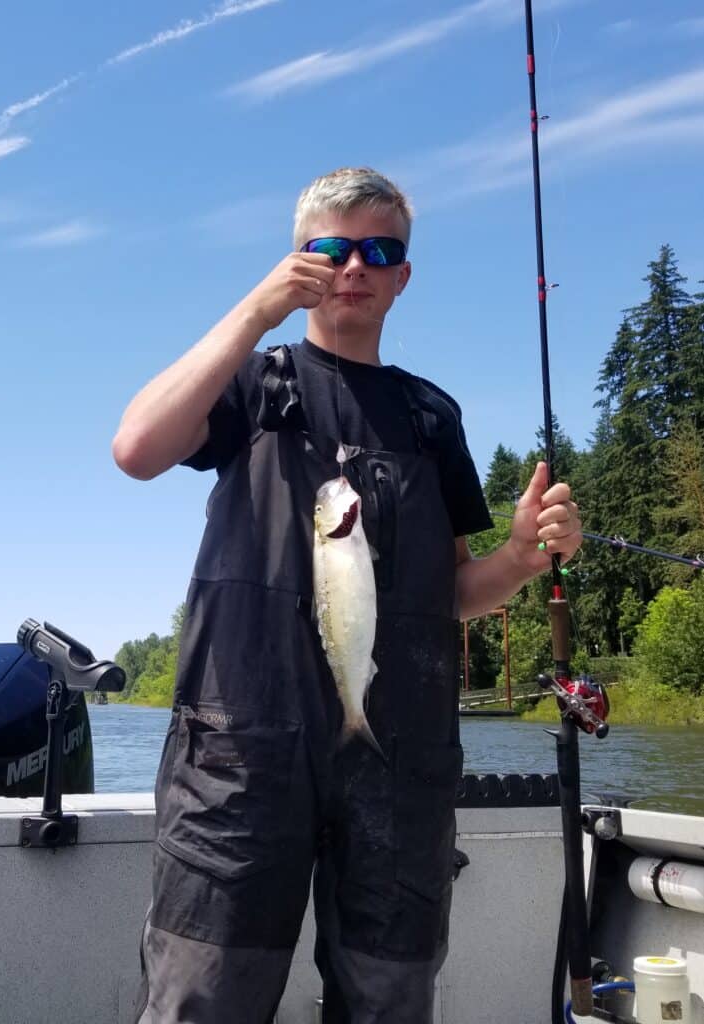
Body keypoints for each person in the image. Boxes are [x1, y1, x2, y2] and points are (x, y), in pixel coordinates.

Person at [113, 167, 582, 1024]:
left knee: (389, 996)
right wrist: (256, 312)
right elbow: (138, 447)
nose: (353, 265)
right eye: (329, 246)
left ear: (403, 276)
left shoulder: (430, 418)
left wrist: (517, 558)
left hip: (397, 758)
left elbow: (445, 595)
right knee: (203, 997)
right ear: (297, 259)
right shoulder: (253, 384)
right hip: (239, 756)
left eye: (379, 249)